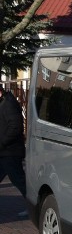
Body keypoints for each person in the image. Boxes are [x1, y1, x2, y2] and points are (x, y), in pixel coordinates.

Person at [0, 86, 27, 218]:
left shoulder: (9, 103)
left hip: (10, 152)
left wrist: (2, 142)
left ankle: (35, 206)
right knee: (19, 179)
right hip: (5, 152)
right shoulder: (4, 102)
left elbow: (16, 126)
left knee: (19, 180)